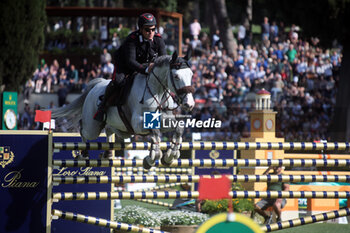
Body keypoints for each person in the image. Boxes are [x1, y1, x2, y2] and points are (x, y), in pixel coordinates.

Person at [94, 13, 166, 122]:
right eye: (147, 29)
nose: (151, 32)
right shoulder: (132, 39)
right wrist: (146, 69)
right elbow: (131, 61)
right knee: (118, 81)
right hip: (125, 65)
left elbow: (163, 58)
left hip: (146, 65)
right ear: (140, 29)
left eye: (153, 29)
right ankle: (102, 106)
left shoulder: (158, 39)